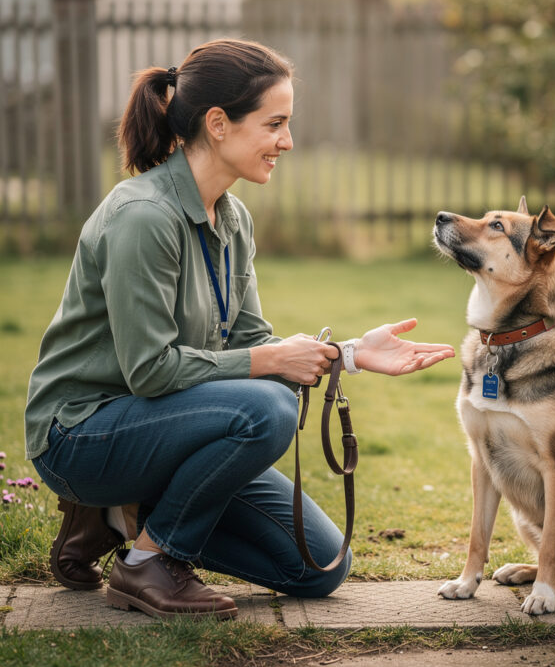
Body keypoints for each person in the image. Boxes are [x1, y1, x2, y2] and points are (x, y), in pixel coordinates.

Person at [24, 38, 454, 621]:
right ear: (219, 124)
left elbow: (255, 341)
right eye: (274, 123)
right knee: (267, 408)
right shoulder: (144, 218)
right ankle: (149, 561)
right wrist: (272, 364)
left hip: (166, 426)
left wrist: (346, 353)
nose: (288, 141)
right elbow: (150, 371)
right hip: (82, 434)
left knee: (318, 567)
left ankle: (118, 516)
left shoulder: (231, 215)